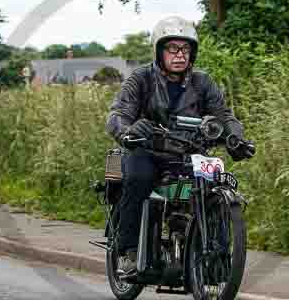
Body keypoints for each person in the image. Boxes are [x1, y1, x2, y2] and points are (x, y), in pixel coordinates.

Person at [105, 16, 255, 276]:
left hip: (188, 152)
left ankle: (216, 260)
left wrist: (236, 138)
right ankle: (127, 251)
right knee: (139, 178)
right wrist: (128, 132)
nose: (179, 55)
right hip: (147, 150)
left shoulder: (202, 82)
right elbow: (118, 113)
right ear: (158, 51)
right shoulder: (141, 78)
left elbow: (224, 115)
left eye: (185, 49)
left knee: (215, 184)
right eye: (172, 48)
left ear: (192, 52)